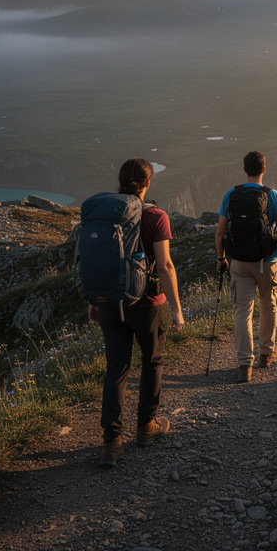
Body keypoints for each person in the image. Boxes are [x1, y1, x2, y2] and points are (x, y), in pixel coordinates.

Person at [88, 157, 185, 467]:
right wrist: (177, 310)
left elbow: (100, 261)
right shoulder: (156, 216)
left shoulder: (105, 215)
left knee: (116, 369)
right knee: (152, 362)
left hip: (110, 304)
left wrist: (95, 300)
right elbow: (166, 265)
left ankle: (111, 443)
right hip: (148, 306)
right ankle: (146, 426)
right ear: (147, 183)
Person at [215, 151, 277, 383]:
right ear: (264, 169)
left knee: (243, 310)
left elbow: (220, 231)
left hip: (239, 262)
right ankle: (266, 353)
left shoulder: (230, 194)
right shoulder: (273, 196)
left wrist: (221, 258)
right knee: (268, 305)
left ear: (245, 169)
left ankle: (245, 364)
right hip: (267, 261)